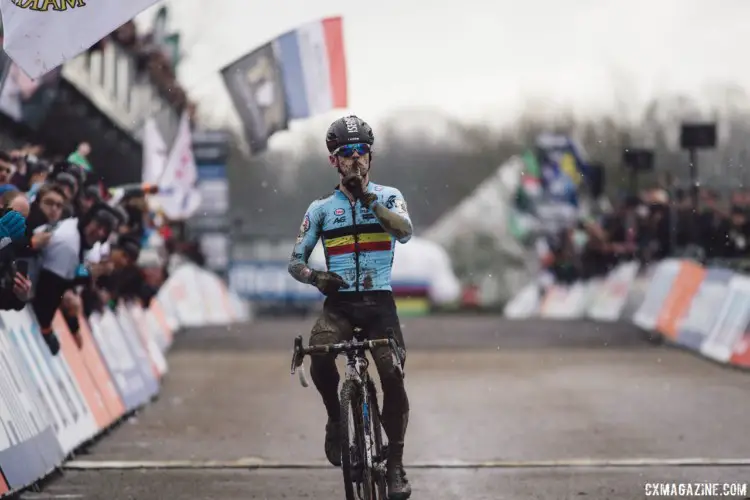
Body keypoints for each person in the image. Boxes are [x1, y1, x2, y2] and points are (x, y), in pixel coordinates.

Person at [287, 115, 413, 499]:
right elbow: (295, 261)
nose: (355, 161)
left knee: (392, 376)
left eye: (362, 153)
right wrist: (315, 277)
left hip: (379, 305)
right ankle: (335, 417)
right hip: (340, 305)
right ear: (334, 161)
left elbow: (404, 232)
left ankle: (394, 464)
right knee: (320, 355)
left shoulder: (389, 197)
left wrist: (369, 199)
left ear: (371, 158)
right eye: (347, 154)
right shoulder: (322, 208)